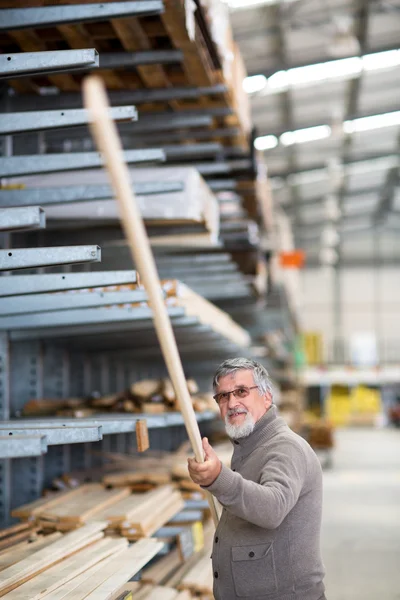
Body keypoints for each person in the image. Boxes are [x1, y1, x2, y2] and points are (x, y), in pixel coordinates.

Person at [188, 358, 326, 600]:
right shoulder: (250, 447)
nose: (232, 403)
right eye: (222, 396)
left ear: (266, 397)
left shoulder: (284, 447)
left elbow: (272, 508)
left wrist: (218, 478)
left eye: (241, 391)